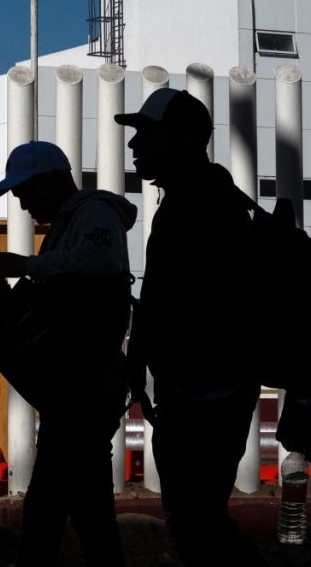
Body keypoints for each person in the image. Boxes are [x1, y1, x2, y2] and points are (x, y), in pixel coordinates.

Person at [115, 89, 265, 566]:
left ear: (179, 138)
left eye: (145, 133)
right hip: (210, 388)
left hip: (204, 392)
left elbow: (173, 300)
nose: (134, 145)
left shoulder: (196, 205)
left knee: (196, 520)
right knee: (199, 517)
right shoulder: (209, 198)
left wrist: (141, 360)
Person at [0, 141, 136, 567]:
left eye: (25, 191)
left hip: (84, 391)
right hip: (80, 389)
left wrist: (26, 266)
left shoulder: (93, 213)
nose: (22, 202)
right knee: (83, 503)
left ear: (52, 180)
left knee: (51, 505)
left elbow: (100, 262)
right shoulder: (73, 222)